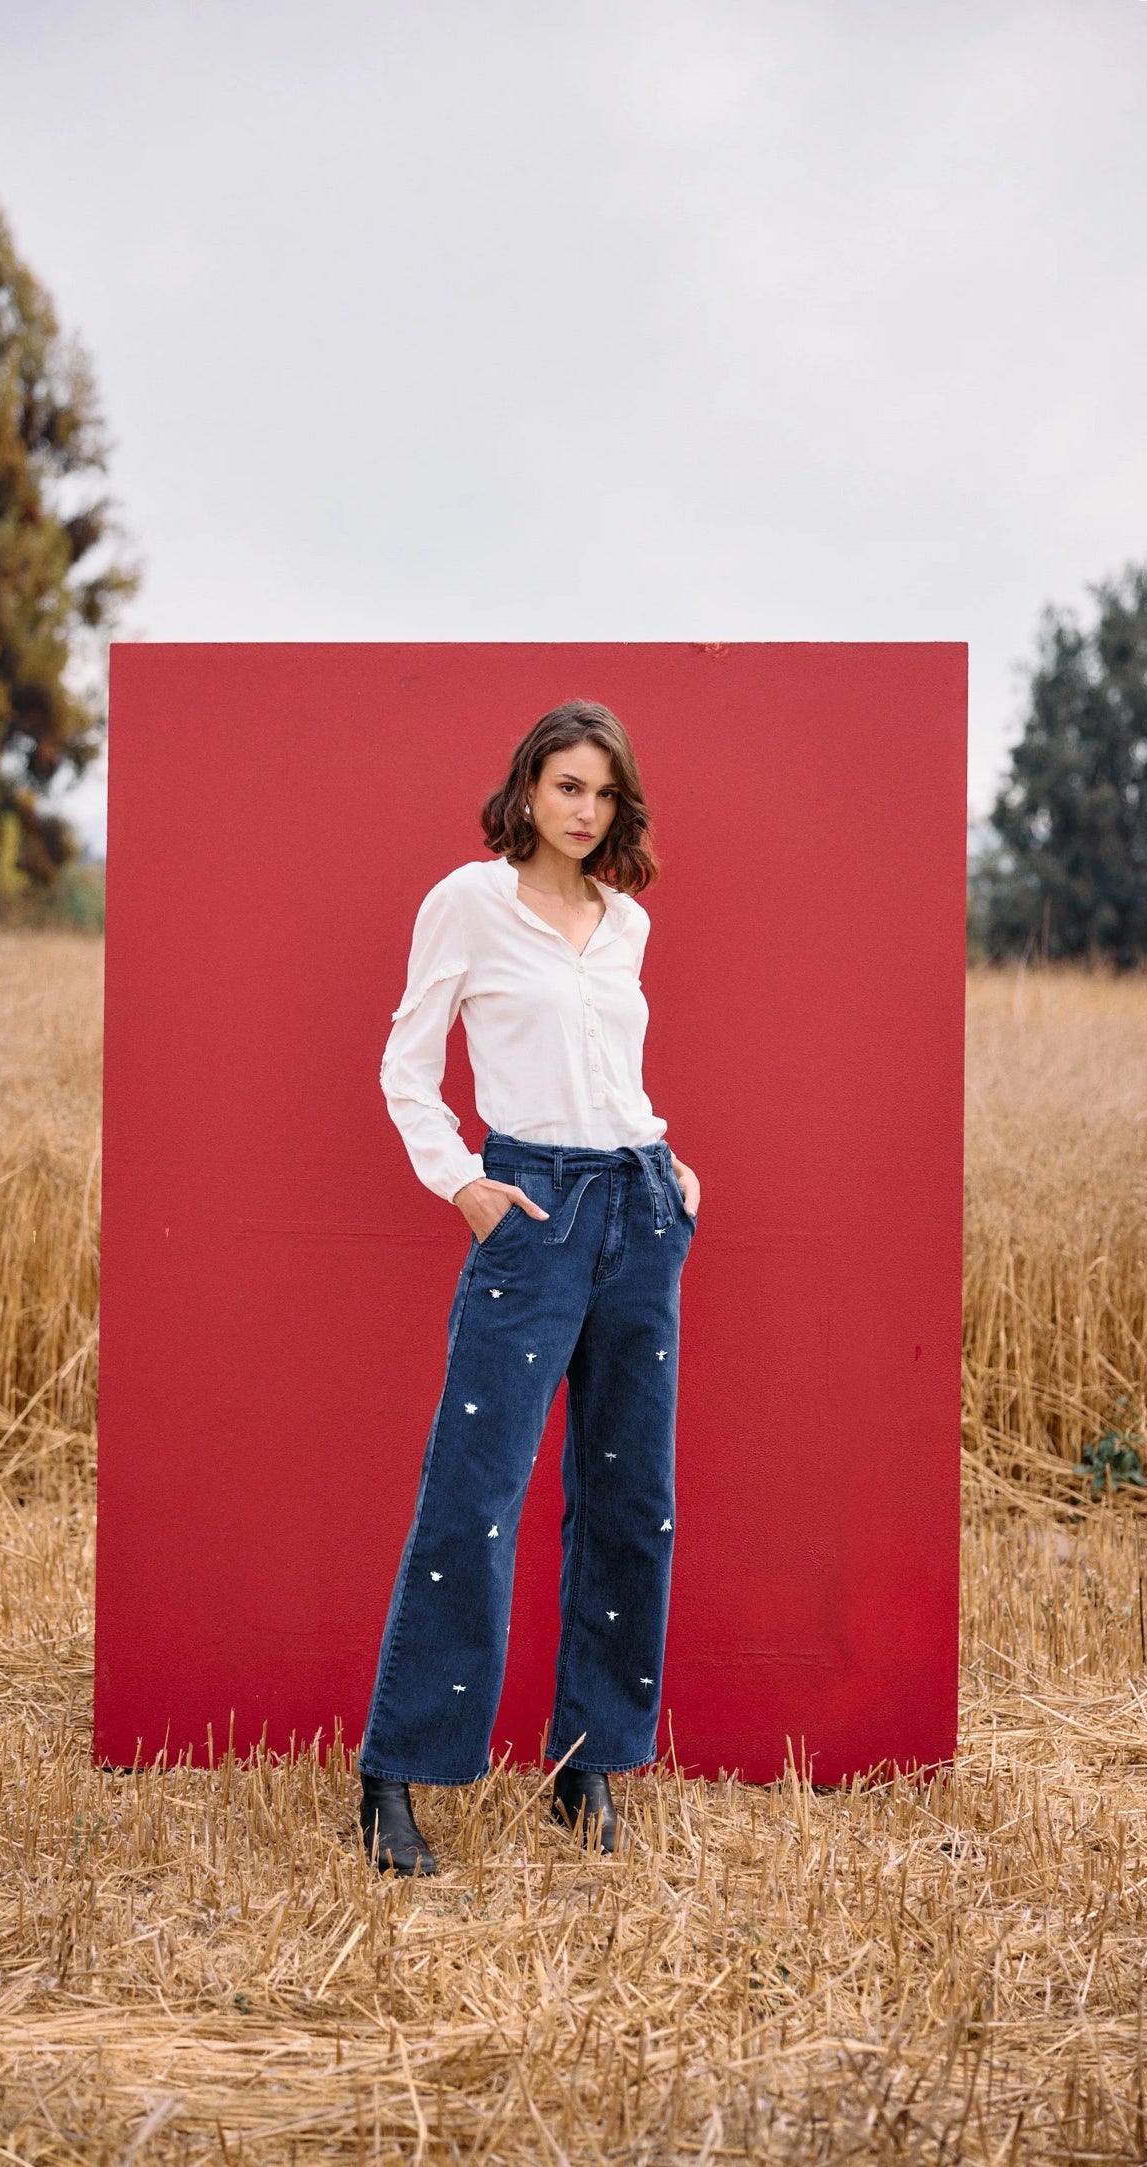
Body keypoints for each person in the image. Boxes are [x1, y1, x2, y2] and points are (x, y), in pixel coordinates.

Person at [357, 698, 701, 1873]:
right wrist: (461, 1181)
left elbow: (615, 1070)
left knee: (629, 1498)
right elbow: (407, 1061)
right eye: (566, 786)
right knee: (475, 1493)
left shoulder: (625, 922)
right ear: (526, 788)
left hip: (640, 1204)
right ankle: (395, 1776)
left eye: (602, 793)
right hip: (533, 1210)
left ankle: (586, 1763)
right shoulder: (469, 900)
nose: (583, 810)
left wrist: (669, 1163)